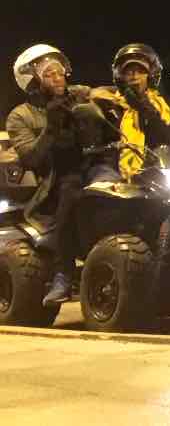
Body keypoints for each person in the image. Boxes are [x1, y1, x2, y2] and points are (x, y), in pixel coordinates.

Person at [5, 45, 118, 306]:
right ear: (32, 81)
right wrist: (52, 127)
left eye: (60, 72)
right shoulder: (20, 116)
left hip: (95, 164)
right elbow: (32, 159)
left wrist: (112, 103)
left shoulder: (77, 96)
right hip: (56, 177)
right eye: (49, 74)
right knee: (72, 193)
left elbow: (104, 101)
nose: (58, 78)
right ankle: (63, 274)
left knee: (121, 188)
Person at [90, 44, 170, 180]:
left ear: (150, 75)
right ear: (120, 76)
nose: (134, 76)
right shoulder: (108, 101)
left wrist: (143, 107)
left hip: (152, 166)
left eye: (140, 71)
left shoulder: (163, 105)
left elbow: (169, 138)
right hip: (112, 167)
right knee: (101, 187)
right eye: (128, 72)